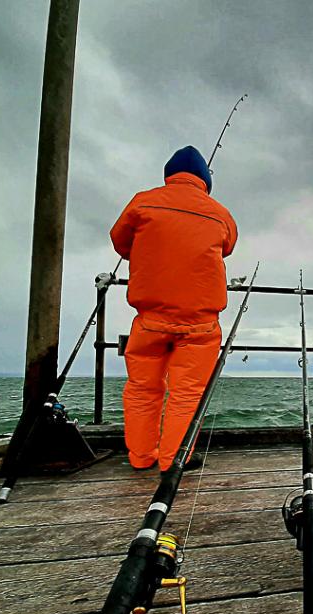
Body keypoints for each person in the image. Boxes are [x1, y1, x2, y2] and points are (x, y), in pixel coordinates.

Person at [110, 146, 238, 471]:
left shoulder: (142, 202)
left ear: (169, 175)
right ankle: (173, 460)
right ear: (205, 180)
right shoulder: (221, 214)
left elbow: (120, 242)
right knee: (188, 394)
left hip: (149, 320)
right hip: (200, 324)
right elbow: (228, 247)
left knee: (142, 389)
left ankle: (141, 457)